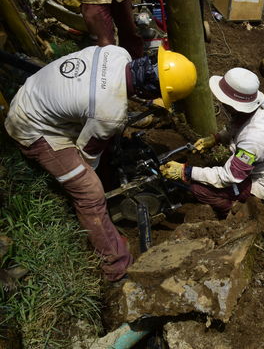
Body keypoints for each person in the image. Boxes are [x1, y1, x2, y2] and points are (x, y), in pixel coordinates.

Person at [4, 45, 196, 281]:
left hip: (33, 94)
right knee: (89, 193)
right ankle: (116, 266)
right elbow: (86, 155)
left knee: (109, 138)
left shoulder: (117, 52)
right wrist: (97, 180)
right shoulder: (108, 111)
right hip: (31, 127)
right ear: (150, 89)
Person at [160, 67, 264, 219]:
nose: (220, 102)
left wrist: (187, 172)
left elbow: (230, 176)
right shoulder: (251, 107)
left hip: (261, 184)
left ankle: (236, 213)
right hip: (255, 169)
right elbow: (235, 127)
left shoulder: (254, 140)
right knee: (208, 175)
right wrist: (216, 139)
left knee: (199, 189)